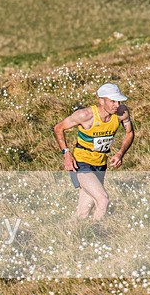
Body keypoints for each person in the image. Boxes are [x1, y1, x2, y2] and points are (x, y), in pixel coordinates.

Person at [53, 83, 135, 220]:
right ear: (101, 101)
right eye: (113, 101)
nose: (117, 104)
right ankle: (96, 232)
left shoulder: (122, 113)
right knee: (103, 200)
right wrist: (66, 154)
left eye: (119, 101)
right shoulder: (85, 115)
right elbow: (58, 128)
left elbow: (130, 132)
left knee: (83, 211)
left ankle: (74, 234)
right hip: (81, 163)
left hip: (100, 164)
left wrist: (120, 153)